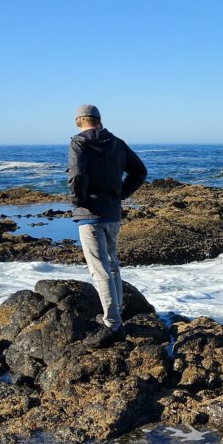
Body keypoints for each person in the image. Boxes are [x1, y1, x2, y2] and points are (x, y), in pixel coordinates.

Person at [67, 104, 147, 345]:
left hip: (90, 215)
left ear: (78, 122)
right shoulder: (117, 143)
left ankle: (112, 324)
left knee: (99, 268)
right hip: (112, 213)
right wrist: (121, 194)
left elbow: (77, 175)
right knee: (112, 266)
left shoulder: (78, 143)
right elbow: (140, 171)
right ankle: (116, 317)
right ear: (99, 120)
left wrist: (78, 201)